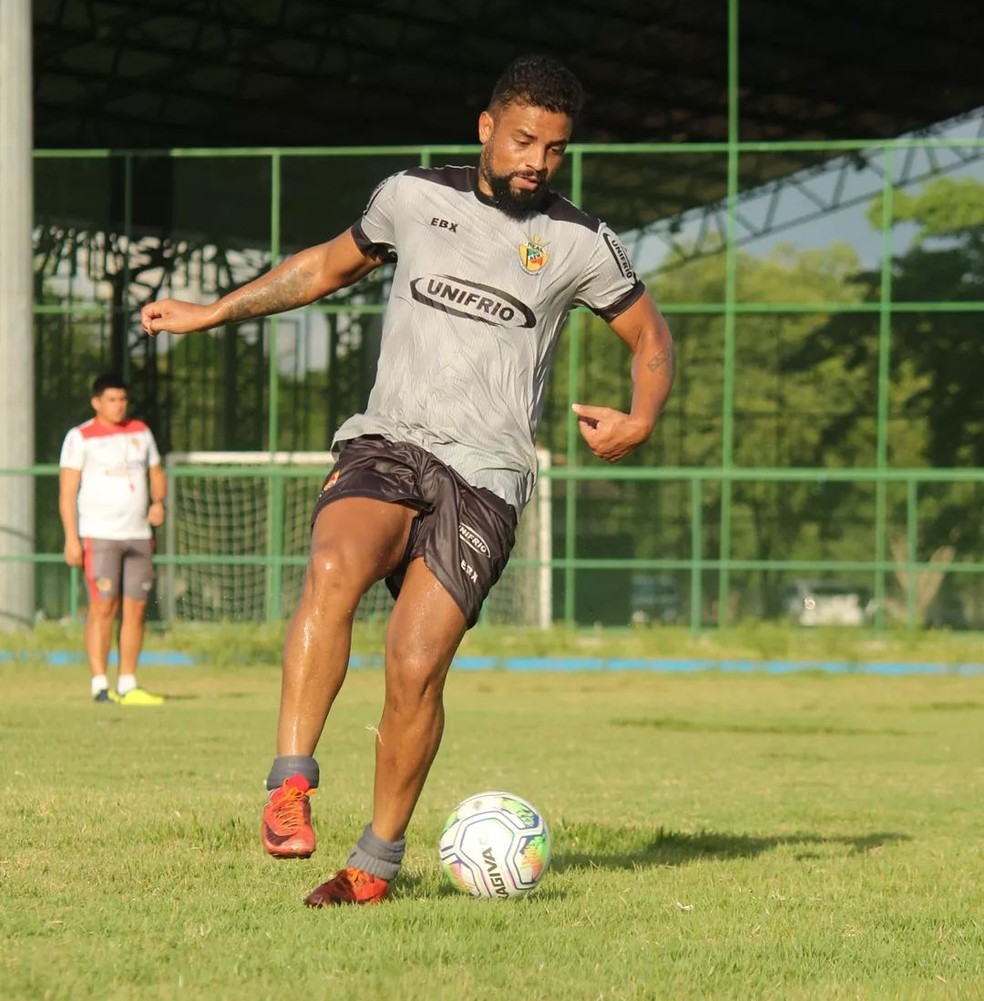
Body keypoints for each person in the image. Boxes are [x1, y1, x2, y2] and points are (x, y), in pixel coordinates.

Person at [140, 54, 674, 905]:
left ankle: (373, 864)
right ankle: (290, 783)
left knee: (414, 664)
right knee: (332, 567)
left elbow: (650, 338)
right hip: (390, 441)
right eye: (526, 139)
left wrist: (641, 417)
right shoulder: (412, 197)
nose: (538, 160)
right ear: (487, 127)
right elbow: (323, 266)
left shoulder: (580, 242)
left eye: (557, 148)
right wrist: (213, 311)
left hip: (488, 475)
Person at [58, 373, 167, 706]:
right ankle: (100, 684)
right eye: (111, 399)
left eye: (122, 399)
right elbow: (67, 491)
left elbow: (156, 474)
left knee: (134, 609)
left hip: (137, 536)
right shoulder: (80, 437)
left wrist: (158, 502)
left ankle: (129, 682)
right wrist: (71, 538)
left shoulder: (140, 432)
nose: (119, 405)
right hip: (99, 536)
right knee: (103, 607)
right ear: (96, 402)